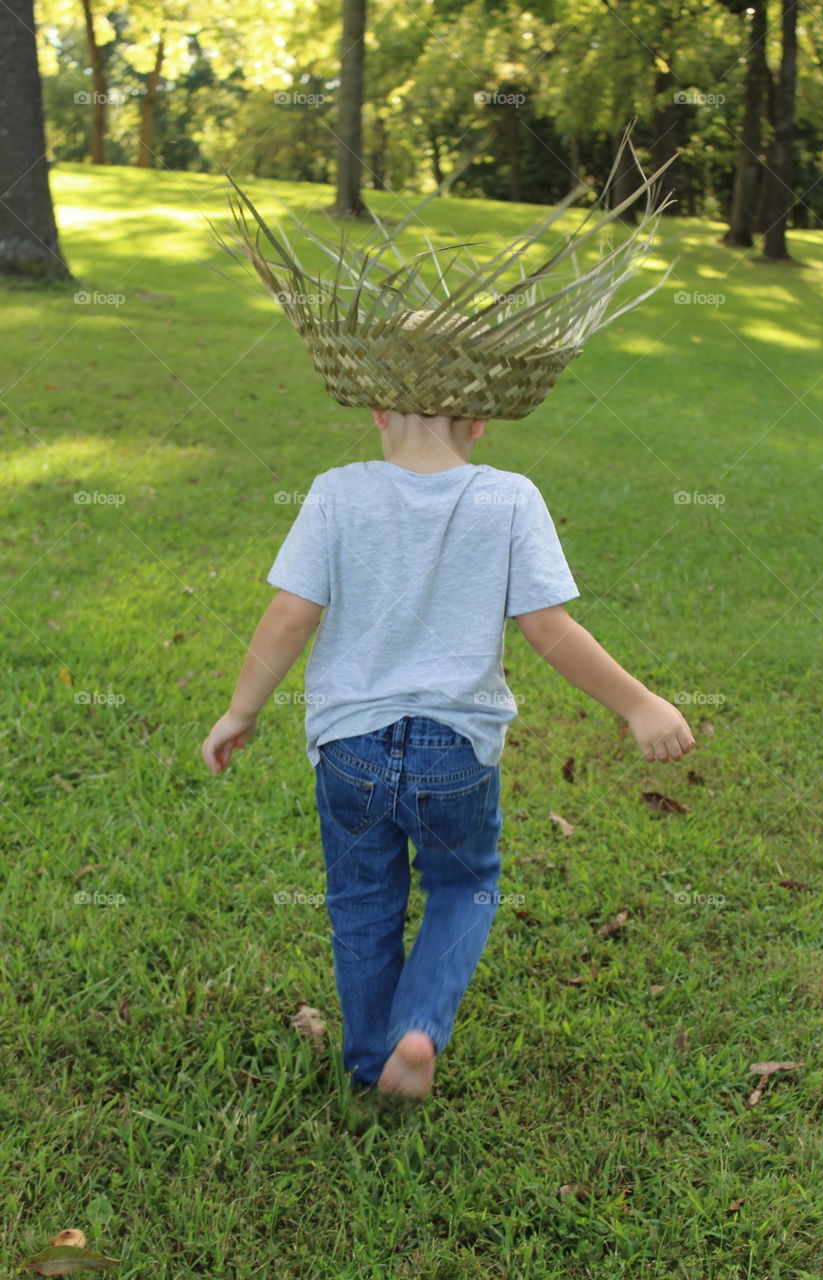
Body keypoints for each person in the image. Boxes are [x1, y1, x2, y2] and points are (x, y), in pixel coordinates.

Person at [200, 129, 694, 1099]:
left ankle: (365, 1057)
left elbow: (288, 616)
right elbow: (550, 630)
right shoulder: (508, 496)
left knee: (361, 902)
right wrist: (636, 703)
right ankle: (419, 1027)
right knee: (465, 880)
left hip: (346, 743)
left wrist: (241, 710)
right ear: (481, 418)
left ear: (376, 409)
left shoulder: (336, 491)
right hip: (455, 751)